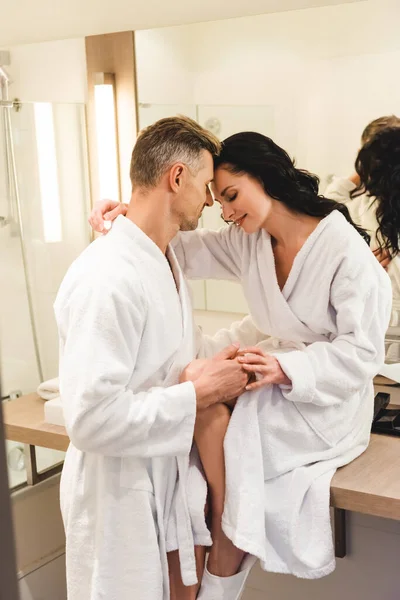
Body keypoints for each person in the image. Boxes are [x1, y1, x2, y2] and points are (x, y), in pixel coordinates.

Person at [91, 131, 391, 598]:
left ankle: (225, 540)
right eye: (219, 199)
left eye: (232, 196)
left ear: (267, 178)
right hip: (276, 372)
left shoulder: (344, 252)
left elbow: (362, 354)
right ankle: (204, 564)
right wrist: (130, 215)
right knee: (193, 460)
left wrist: (287, 370)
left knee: (222, 433)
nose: (226, 211)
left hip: (327, 397)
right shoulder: (249, 241)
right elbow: (177, 247)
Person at [54, 116, 250, 600]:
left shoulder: (164, 258)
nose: (210, 201)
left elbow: (172, 353)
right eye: (207, 186)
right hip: (119, 493)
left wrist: (235, 362)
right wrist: (197, 393)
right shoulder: (107, 277)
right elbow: (90, 419)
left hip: (164, 480)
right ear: (176, 178)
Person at [325, 115, 400, 336]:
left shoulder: (355, 207)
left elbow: (330, 201)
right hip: (374, 326)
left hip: (372, 326)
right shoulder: (357, 207)